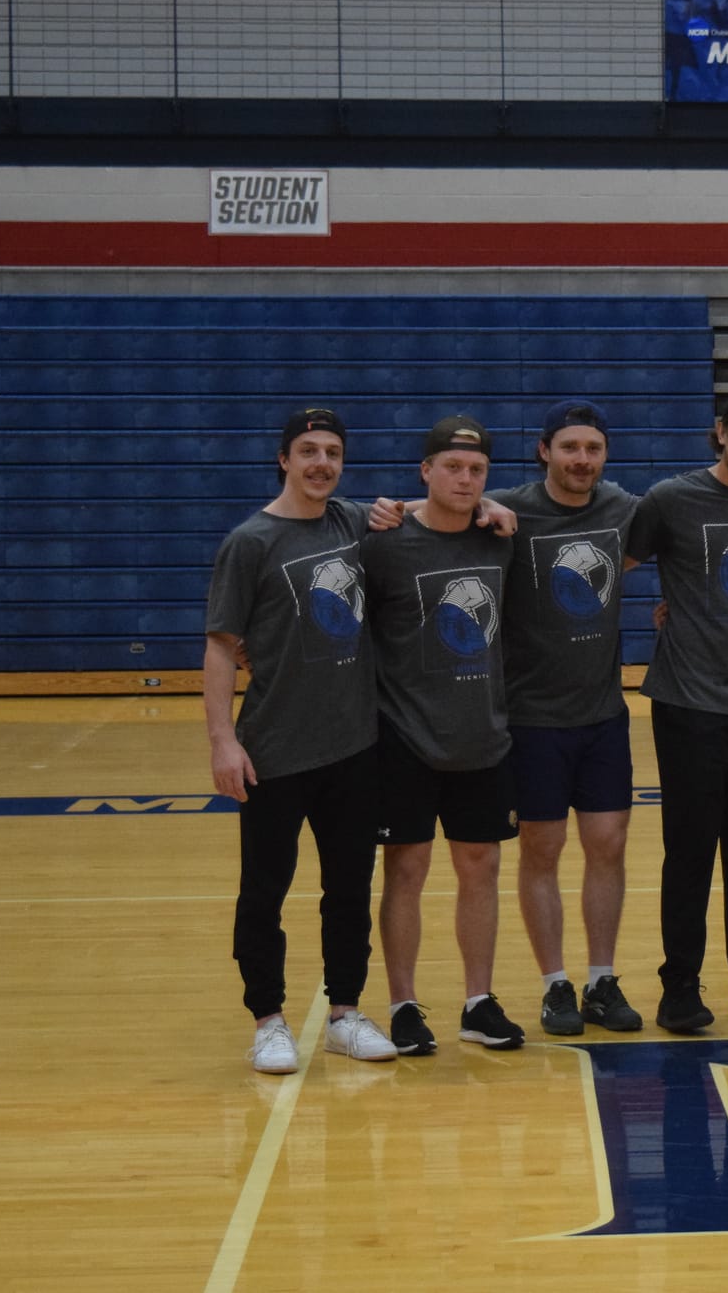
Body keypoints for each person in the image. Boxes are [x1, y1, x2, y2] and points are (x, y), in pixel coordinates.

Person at [204, 406, 395, 1074]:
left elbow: (432, 508)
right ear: (283, 458)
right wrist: (223, 741)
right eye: (308, 450)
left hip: (353, 746)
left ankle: (344, 1013)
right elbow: (223, 647)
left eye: (333, 452)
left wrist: (491, 507)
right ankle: (269, 1020)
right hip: (275, 749)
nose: (322, 462)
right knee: (265, 890)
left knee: (349, 887)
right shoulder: (250, 541)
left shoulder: (351, 520)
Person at [625, 383, 728, 1033]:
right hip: (688, 701)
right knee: (690, 850)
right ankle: (680, 985)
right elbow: (620, 558)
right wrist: (659, 609)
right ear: (721, 431)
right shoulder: (671, 499)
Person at [363, 416, 527, 1057]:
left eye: (477, 471)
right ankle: (403, 1004)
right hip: (403, 734)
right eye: (452, 467)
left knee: (480, 866)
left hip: (482, 732)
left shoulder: (500, 537)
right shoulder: (383, 540)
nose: (464, 479)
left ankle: (478, 1002)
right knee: (406, 867)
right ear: (424, 471)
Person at [493, 400, 645, 1038]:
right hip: (532, 717)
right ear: (544, 451)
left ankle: (601, 979)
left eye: (593, 449)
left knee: (608, 845)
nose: (582, 460)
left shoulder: (624, 510)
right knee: (542, 849)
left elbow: (704, 508)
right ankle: (554, 984)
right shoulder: (507, 508)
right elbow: (432, 508)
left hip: (603, 713)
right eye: (570, 448)